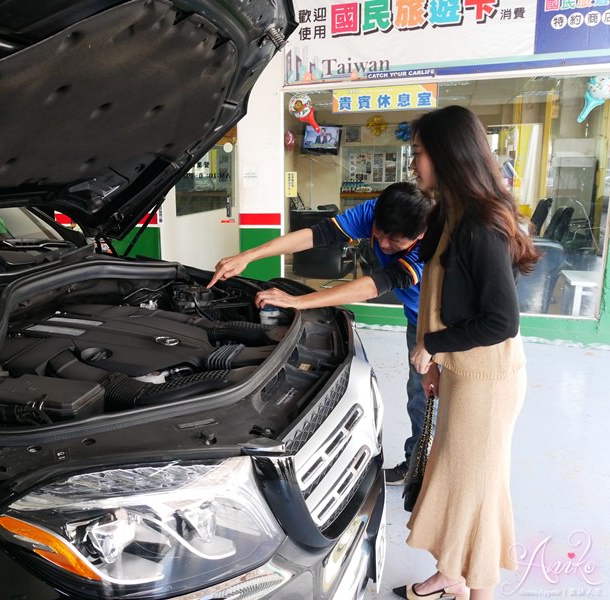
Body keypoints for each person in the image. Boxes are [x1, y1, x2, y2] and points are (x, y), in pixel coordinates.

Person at [398, 106, 539, 600]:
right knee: (454, 478)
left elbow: (501, 321)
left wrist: (432, 347)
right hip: (460, 370)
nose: (412, 163)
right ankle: (450, 574)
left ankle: (477, 590)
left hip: (489, 379)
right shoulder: (446, 215)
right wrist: (436, 362)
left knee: (476, 489)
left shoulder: (481, 225)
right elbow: (437, 301)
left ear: (447, 155)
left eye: (418, 153)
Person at [208, 181, 434, 485]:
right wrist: (249, 255)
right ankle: (417, 465)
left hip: (445, 324)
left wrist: (297, 301)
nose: (382, 246)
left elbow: (374, 285)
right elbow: (317, 235)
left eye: (395, 243)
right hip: (415, 319)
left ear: (418, 235)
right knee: (418, 396)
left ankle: (427, 474)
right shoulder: (375, 212)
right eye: (378, 235)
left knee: (429, 400)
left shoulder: (430, 241)